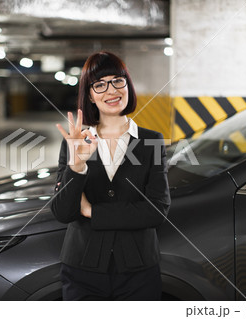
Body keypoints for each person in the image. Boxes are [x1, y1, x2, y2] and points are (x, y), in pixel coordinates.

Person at [51, 51, 171, 301]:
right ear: (90, 96)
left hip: (138, 270)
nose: (111, 90)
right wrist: (77, 166)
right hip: (83, 269)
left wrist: (91, 211)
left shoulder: (152, 141)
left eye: (118, 80)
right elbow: (63, 213)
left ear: (128, 85)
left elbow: (157, 210)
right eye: (100, 84)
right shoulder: (76, 141)